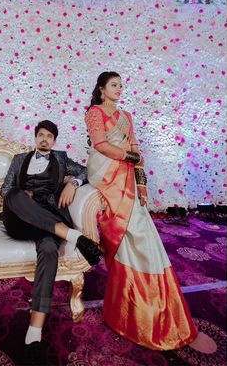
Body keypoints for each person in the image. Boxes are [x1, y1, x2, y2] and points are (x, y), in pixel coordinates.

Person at [84, 72, 216, 353]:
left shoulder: (126, 116)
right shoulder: (95, 112)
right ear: (101, 89)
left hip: (128, 178)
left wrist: (142, 183)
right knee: (131, 233)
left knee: (143, 234)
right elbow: (101, 145)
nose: (119, 89)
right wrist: (132, 157)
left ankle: (135, 309)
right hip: (107, 175)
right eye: (114, 85)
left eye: (121, 85)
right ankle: (136, 310)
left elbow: (135, 148)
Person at [0, 119, 102, 360]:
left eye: (49, 136)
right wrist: (24, 194)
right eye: (41, 135)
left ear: (54, 141)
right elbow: (4, 190)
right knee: (14, 193)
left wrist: (73, 183)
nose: (44, 139)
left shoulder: (61, 159)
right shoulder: (19, 159)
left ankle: (34, 331)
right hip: (20, 219)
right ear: (35, 137)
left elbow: (86, 171)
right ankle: (75, 237)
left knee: (48, 249)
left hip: (49, 219)